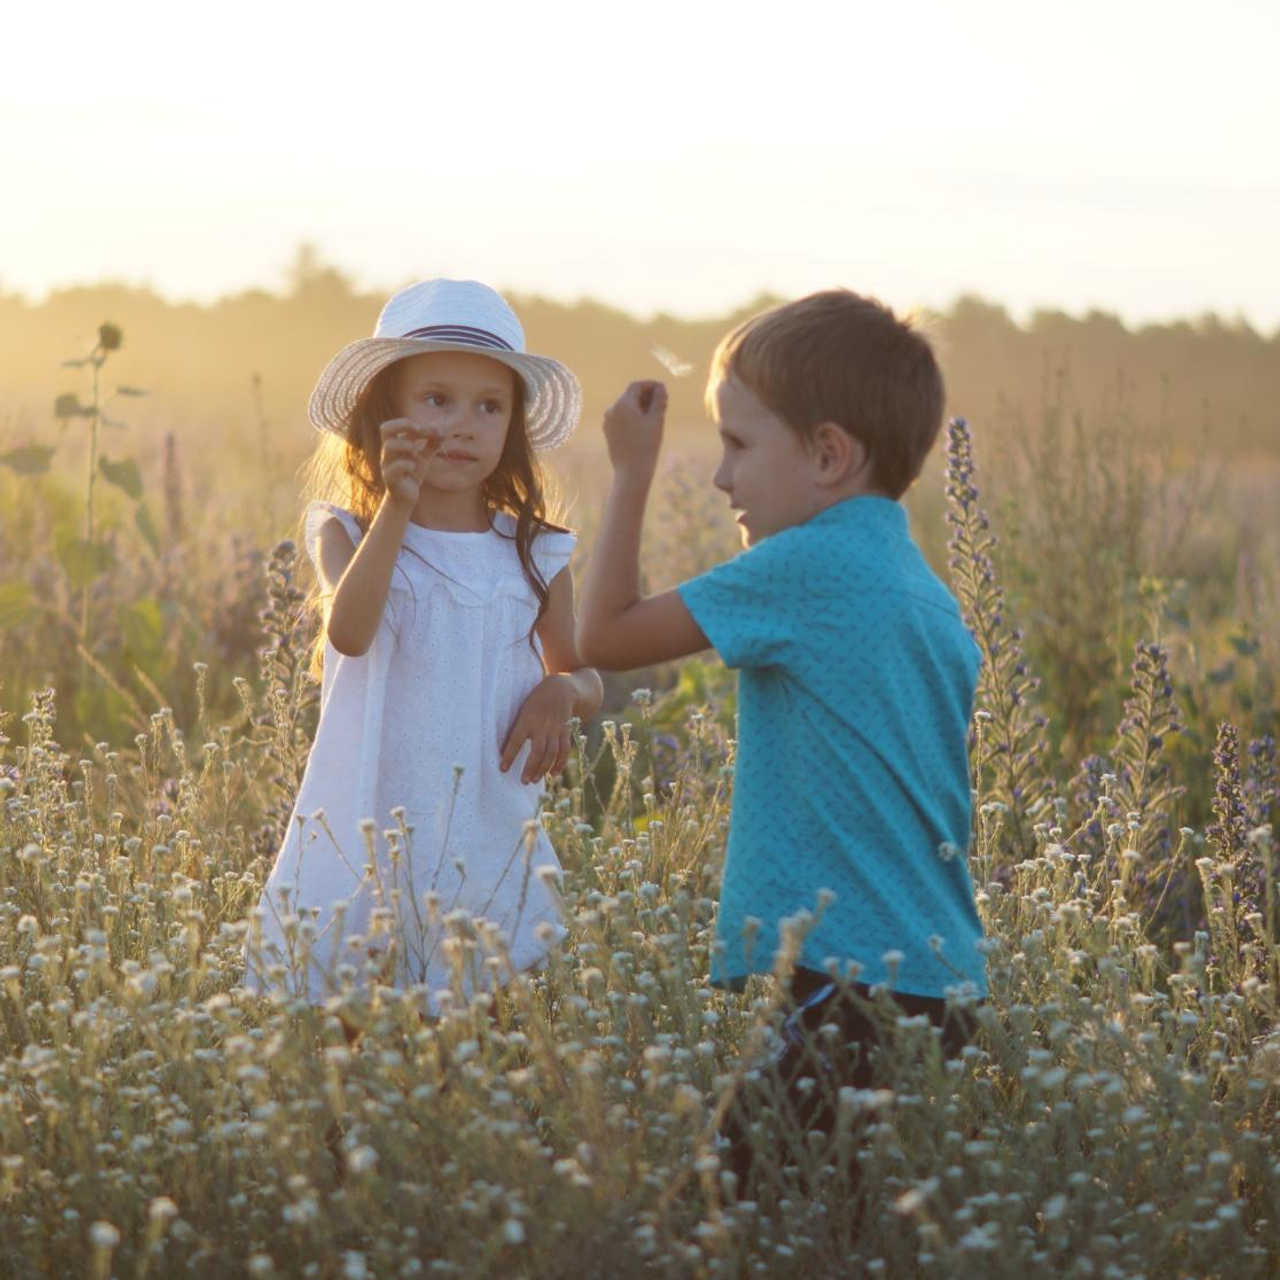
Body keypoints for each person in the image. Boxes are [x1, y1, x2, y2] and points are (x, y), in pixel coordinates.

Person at [575, 289, 987, 1192]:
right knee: (831, 1227)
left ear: (830, 455)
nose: (722, 478)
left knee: (721, 1221)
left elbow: (601, 638)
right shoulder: (925, 593)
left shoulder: (809, 564)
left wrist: (630, 472)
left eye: (737, 445)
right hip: (937, 979)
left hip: (852, 983)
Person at [242, 278, 603, 1032]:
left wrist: (560, 693)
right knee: (359, 1027)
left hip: (486, 824)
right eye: (436, 400)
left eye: (489, 406)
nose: (463, 425)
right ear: (382, 415)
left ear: (513, 425)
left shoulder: (535, 551)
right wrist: (397, 508)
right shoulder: (347, 530)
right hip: (376, 814)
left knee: (477, 1030)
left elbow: (581, 670)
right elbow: (350, 631)